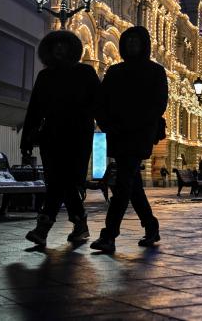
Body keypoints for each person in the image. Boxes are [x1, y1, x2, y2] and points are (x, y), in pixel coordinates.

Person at [90, 26, 168, 254]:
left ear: (144, 44)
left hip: (139, 135)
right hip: (117, 133)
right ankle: (151, 226)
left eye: (137, 40)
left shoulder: (155, 71)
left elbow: (158, 104)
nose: (133, 44)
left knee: (123, 184)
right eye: (129, 40)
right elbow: (101, 102)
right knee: (131, 184)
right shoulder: (115, 71)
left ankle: (109, 235)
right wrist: (106, 124)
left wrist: (136, 123)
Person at [22, 30, 102, 247]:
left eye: (63, 45)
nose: (59, 49)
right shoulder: (45, 76)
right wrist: (27, 139)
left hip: (77, 136)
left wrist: (110, 130)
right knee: (60, 182)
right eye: (55, 45)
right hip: (51, 136)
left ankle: (44, 227)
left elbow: (99, 104)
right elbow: (35, 110)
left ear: (71, 49)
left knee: (62, 181)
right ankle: (80, 224)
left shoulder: (85, 72)